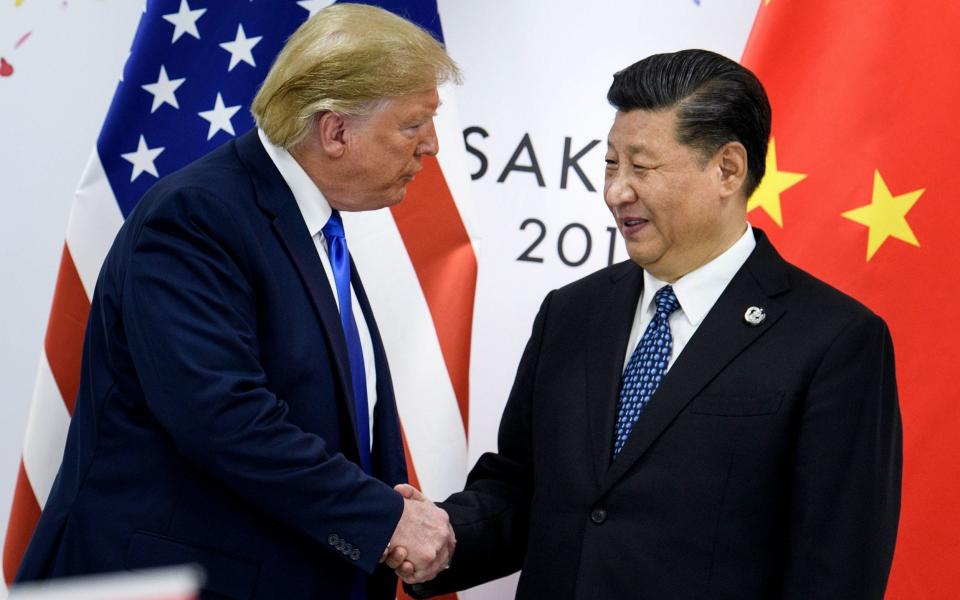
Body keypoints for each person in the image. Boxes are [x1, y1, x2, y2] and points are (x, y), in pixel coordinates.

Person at [396, 49, 902, 599]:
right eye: (611, 163)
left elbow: (835, 570)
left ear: (727, 170)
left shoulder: (834, 340)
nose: (617, 191)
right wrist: (436, 535)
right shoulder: (571, 313)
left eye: (641, 166)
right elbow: (522, 489)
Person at [15, 4, 458, 599]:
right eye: (413, 125)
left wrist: (383, 504)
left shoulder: (310, 227)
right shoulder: (198, 216)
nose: (430, 147)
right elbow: (223, 416)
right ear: (335, 131)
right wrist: (382, 519)